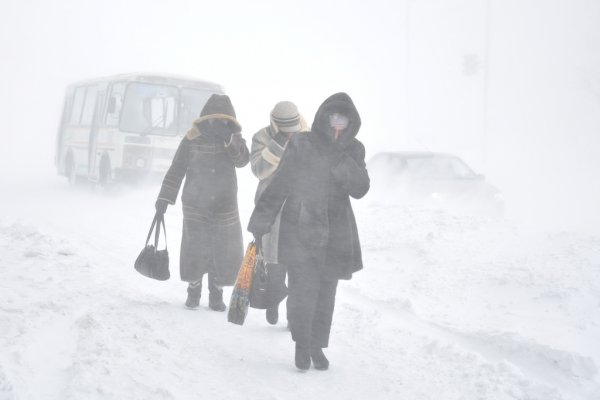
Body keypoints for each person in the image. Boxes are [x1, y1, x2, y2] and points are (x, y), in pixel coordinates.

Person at [248, 92, 369, 371]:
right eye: (333, 117)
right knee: (303, 292)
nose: (337, 124)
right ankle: (302, 346)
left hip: (337, 234)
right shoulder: (303, 144)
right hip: (300, 229)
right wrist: (261, 221)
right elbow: (281, 183)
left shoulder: (354, 149)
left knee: (326, 294)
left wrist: (339, 158)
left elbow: (360, 188)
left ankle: (317, 346)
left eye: (344, 119)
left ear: (351, 123)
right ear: (323, 118)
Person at [155, 94, 249, 311]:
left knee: (222, 250)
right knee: (196, 248)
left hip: (225, 205)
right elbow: (177, 170)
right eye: (217, 119)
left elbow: (243, 161)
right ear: (208, 118)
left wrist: (229, 140)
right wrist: (164, 199)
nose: (221, 123)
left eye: (225, 120)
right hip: (195, 204)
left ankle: (216, 294)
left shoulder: (235, 138)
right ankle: (193, 290)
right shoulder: (192, 138)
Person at [250, 101, 308, 325]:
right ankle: (272, 301)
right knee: (274, 260)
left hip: (299, 206)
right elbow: (259, 170)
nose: (290, 132)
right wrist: (279, 143)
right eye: (284, 128)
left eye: (292, 127)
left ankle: (294, 316)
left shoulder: (307, 137)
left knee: (297, 264)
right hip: (271, 207)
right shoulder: (262, 137)